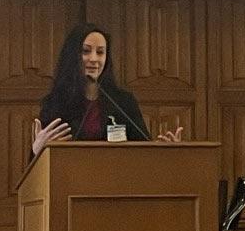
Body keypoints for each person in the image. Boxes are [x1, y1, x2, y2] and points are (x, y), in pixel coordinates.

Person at [31, 22, 182, 157]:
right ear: (73, 55)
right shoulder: (55, 103)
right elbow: (37, 171)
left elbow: (144, 150)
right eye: (86, 51)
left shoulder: (122, 102)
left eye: (100, 52)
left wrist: (168, 152)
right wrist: (36, 151)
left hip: (116, 184)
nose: (94, 59)